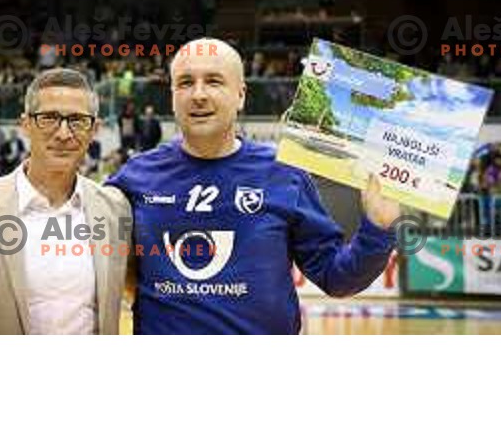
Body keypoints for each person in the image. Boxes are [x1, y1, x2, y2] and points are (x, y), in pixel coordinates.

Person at [107, 38, 400, 334]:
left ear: (241, 95)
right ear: (172, 96)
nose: (198, 95)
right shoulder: (134, 177)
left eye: (214, 81)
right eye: (185, 83)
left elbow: (336, 278)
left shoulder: (285, 173)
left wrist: (378, 227)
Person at [0, 68, 132, 335]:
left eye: (77, 120)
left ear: (95, 130)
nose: (64, 133)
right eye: (49, 118)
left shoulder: (116, 209)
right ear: (25, 125)